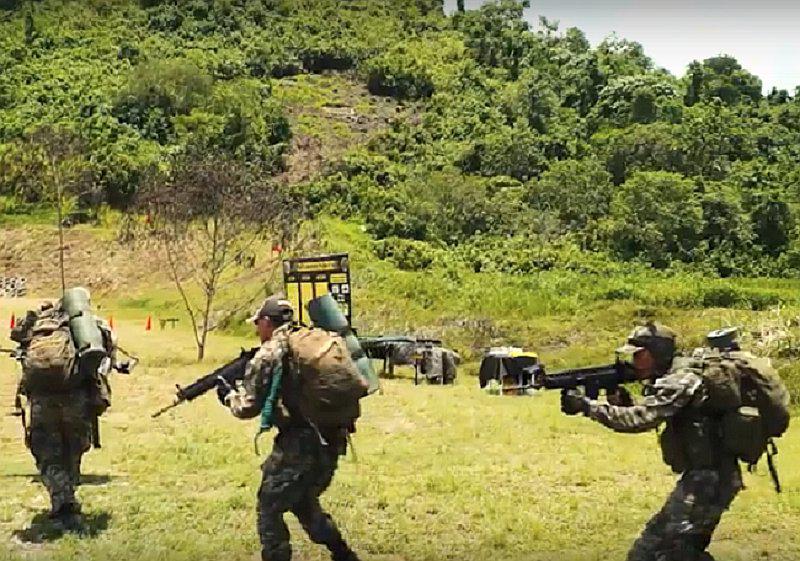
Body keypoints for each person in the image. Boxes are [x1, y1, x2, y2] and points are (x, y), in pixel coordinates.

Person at [560, 323, 741, 561]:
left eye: (638, 355)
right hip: (704, 477)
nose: (633, 362)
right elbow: (648, 412)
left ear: (657, 353)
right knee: (668, 552)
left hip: (710, 481)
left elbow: (641, 419)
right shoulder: (670, 376)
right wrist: (621, 403)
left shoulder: (681, 379)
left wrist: (588, 406)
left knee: (657, 553)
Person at [219, 295, 360, 561]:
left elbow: (247, 408)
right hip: (331, 439)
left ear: (267, 322)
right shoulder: (309, 338)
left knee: (269, 505)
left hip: (300, 444)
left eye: (257, 324)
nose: (256, 329)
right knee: (302, 501)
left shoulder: (271, 352)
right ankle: (343, 554)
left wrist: (228, 396)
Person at [11, 291, 119, 530]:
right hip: (75, 398)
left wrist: (32, 316)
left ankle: (62, 500)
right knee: (74, 447)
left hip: (42, 400)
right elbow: (106, 350)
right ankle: (67, 500)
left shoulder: (36, 324)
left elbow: (15, 337)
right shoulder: (84, 325)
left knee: (47, 452)